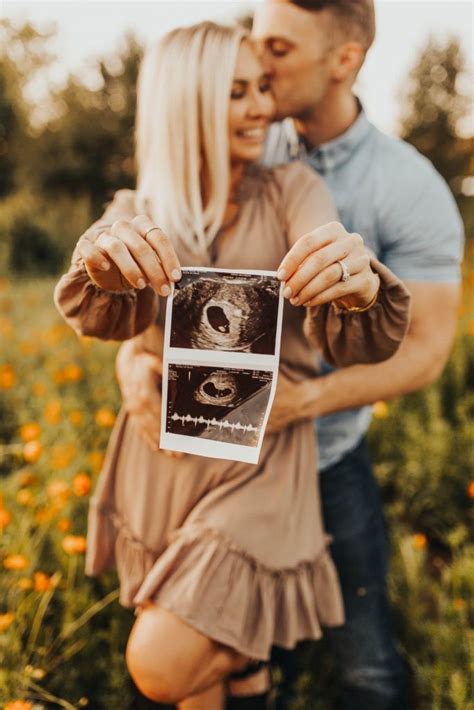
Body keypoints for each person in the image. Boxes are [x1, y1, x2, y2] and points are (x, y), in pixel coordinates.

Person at [115, 2, 464, 709]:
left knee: (364, 658)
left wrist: (300, 403)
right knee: (222, 655)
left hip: (324, 449)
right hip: (201, 451)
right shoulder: (244, 141)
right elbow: (151, 279)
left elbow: (425, 353)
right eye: (242, 73)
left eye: (275, 50)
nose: (257, 70)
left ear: (343, 60)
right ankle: (251, 678)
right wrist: (130, 363)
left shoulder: (406, 186)